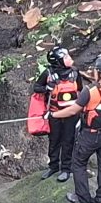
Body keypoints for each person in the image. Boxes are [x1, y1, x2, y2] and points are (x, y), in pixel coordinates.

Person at [50, 54, 101, 203]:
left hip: (90, 135)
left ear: (100, 73)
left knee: (78, 163)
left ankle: (83, 198)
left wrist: (53, 114)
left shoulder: (90, 91)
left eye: (95, 70)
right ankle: (100, 201)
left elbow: (73, 110)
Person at [33, 46, 84, 182]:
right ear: (58, 61)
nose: (69, 59)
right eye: (65, 57)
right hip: (54, 114)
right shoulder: (48, 73)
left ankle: (66, 168)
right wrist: (46, 88)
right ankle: (53, 166)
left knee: (68, 141)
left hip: (71, 115)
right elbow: (36, 87)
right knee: (54, 141)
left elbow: (81, 90)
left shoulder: (75, 73)